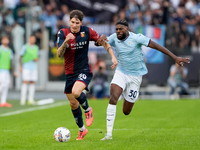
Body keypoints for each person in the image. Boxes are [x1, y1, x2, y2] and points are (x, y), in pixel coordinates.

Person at [97, 19, 190, 140]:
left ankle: (129, 98)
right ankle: (108, 134)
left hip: (135, 77)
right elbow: (100, 43)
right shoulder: (114, 37)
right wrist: (102, 37)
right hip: (121, 72)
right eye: (116, 29)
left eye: (121, 29)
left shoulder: (137, 38)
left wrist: (175, 57)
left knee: (126, 111)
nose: (118, 31)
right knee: (113, 98)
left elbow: (156, 46)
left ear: (127, 29)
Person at [56, 10, 118, 140]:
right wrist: (66, 41)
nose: (74, 25)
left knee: (76, 92)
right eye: (72, 22)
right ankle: (82, 130)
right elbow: (59, 54)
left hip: (84, 70)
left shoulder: (87, 31)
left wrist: (112, 56)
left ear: (81, 23)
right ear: (69, 21)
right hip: (69, 73)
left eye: (77, 23)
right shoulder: (63, 33)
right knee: (73, 104)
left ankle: (88, 110)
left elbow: (103, 42)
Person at [20, 35, 39, 105]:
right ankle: (23, 99)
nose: (32, 40)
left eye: (34, 39)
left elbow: (37, 57)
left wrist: (36, 59)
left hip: (33, 67)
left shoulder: (36, 48)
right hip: (26, 67)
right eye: (31, 39)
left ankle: (30, 99)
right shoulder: (25, 47)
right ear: (29, 39)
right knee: (25, 82)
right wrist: (20, 66)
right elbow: (20, 56)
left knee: (32, 82)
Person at [0, 36, 17, 107]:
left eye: (7, 39)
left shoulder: (10, 51)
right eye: (4, 39)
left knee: (6, 85)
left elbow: (11, 62)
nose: (6, 40)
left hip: (6, 70)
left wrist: (14, 71)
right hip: (1, 70)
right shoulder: (0, 49)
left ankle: (3, 101)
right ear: (1, 41)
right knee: (2, 85)